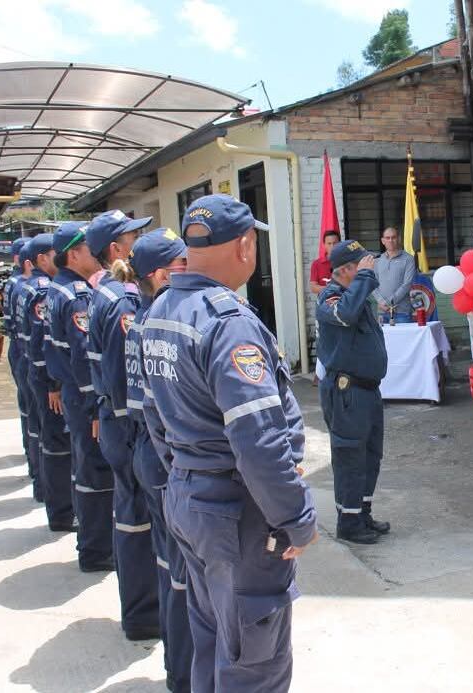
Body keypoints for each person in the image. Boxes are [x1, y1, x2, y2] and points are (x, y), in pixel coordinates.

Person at [142, 194, 317, 692]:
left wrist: (189, 475)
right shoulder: (227, 323)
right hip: (236, 514)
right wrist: (295, 518)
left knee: (214, 641)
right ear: (244, 246)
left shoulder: (160, 311)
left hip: (190, 499)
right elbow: (259, 440)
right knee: (253, 666)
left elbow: (154, 417)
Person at [116, 228, 193, 692]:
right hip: (165, 459)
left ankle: (178, 665)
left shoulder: (143, 319)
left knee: (170, 567)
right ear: (164, 274)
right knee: (184, 575)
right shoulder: (161, 324)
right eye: (185, 264)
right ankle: (184, 675)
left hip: (149, 451)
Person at [85, 210, 160, 632]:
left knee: (134, 517)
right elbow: (122, 379)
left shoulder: (113, 295)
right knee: (136, 522)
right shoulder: (121, 302)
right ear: (117, 248)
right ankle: (144, 616)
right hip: (127, 427)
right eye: (134, 236)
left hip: (119, 424)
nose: (139, 243)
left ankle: (142, 612)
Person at [45, 222, 116, 574]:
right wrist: (94, 409)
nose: (97, 254)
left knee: (87, 469)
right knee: (95, 474)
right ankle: (96, 550)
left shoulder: (62, 290)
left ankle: (95, 544)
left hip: (74, 394)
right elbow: (83, 359)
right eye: (90, 248)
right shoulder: (75, 296)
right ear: (74, 254)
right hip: (83, 397)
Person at [315, 239, 390, 544]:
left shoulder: (355, 295)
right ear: (345, 270)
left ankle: (362, 513)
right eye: (361, 266)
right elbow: (344, 315)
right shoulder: (330, 297)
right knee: (350, 457)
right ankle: (348, 521)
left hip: (367, 391)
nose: (369, 269)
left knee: (370, 456)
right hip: (346, 393)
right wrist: (365, 278)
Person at [19, 234, 76, 534]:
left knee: (48, 439)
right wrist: (52, 385)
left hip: (36, 373)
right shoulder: (44, 291)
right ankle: (62, 513)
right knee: (56, 445)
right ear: (42, 259)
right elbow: (45, 343)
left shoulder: (31, 287)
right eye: (57, 253)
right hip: (46, 378)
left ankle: (53, 500)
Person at [2, 236, 35, 496]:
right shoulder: (28, 287)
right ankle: (38, 470)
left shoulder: (15, 285)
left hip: (20, 349)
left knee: (30, 413)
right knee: (35, 413)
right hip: (26, 351)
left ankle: (34, 464)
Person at [373, 226, 417, 323]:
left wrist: (389, 302)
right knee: (383, 338)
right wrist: (381, 301)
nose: (391, 240)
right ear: (383, 241)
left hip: (402, 312)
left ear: (399, 239)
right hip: (382, 311)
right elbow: (373, 283)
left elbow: (407, 284)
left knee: (404, 338)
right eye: (387, 238)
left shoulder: (408, 259)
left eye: (393, 237)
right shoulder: (377, 260)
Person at [309, 230, 341, 295]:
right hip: (324, 303)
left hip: (345, 302)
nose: (332, 246)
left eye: (335, 243)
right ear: (324, 245)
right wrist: (330, 288)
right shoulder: (316, 264)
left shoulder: (346, 261)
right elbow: (313, 287)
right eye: (329, 243)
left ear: (340, 243)